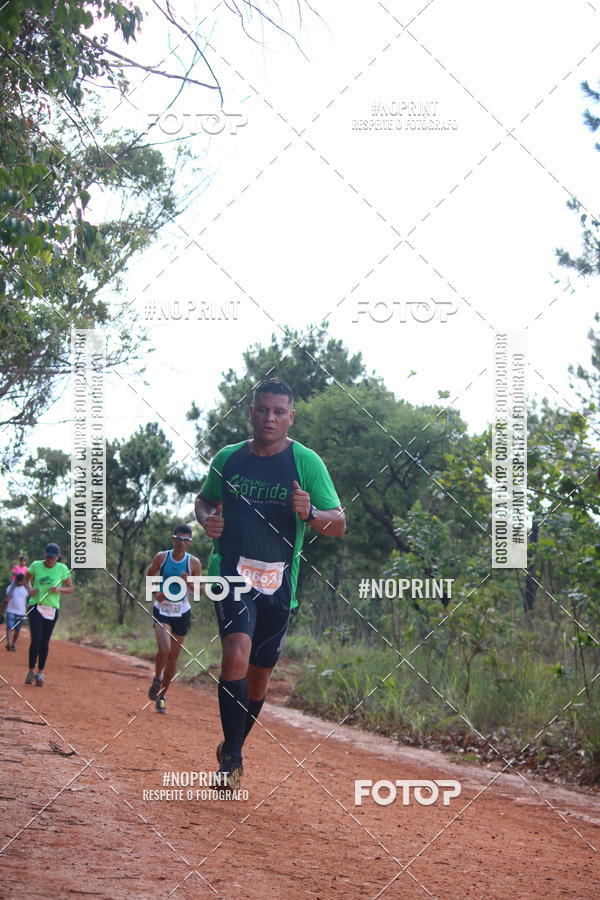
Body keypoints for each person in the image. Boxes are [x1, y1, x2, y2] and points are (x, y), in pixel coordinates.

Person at [195, 378, 345, 789]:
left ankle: (232, 744)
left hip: (279, 584)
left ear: (291, 417)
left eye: (279, 412)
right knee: (235, 653)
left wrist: (311, 513)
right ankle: (232, 761)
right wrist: (207, 519)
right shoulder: (228, 458)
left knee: (258, 679)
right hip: (230, 573)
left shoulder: (306, 463)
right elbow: (205, 499)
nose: (270, 418)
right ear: (251, 412)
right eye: (263, 410)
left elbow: (338, 523)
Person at [146, 524, 202, 714]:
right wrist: (156, 593)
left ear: (189, 542)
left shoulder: (193, 563)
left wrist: (189, 582)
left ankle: (162, 696)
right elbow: (150, 575)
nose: (181, 542)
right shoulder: (162, 557)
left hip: (182, 611)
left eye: (185, 540)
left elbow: (199, 591)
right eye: (178, 538)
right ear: (173, 539)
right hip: (162, 609)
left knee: (173, 658)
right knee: (164, 649)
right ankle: (157, 678)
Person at [25, 543, 73, 686]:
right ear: (45, 555)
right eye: (48, 557)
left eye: (52, 558)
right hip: (36, 606)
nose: (50, 560)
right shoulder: (36, 565)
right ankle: (31, 670)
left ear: (58, 557)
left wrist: (59, 589)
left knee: (44, 641)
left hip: (51, 609)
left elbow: (70, 588)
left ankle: (40, 673)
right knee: (36, 639)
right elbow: (26, 580)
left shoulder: (62, 569)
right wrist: (30, 589)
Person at [2, 572, 30, 650]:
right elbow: (6, 599)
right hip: (10, 611)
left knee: (17, 630)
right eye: (18, 581)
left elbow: (27, 600)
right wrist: (2, 609)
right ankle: (9, 644)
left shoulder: (26, 589)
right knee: (10, 627)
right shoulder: (10, 588)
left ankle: (12, 643)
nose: (19, 583)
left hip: (21, 612)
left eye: (21, 581)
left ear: (23, 581)